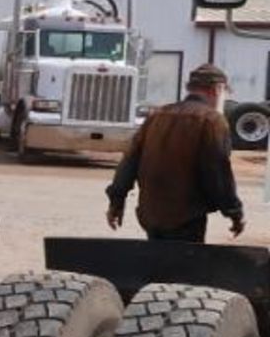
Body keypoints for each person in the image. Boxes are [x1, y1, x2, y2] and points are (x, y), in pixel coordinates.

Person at [105, 64, 245, 242]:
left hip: (150, 216)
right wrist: (234, 212)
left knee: (157, 267)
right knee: (182, 268)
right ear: (217, 89)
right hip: (186, 218)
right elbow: (217, 172)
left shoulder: (156, 116)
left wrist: (116, 202)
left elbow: (129, 162)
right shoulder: (212, 121)